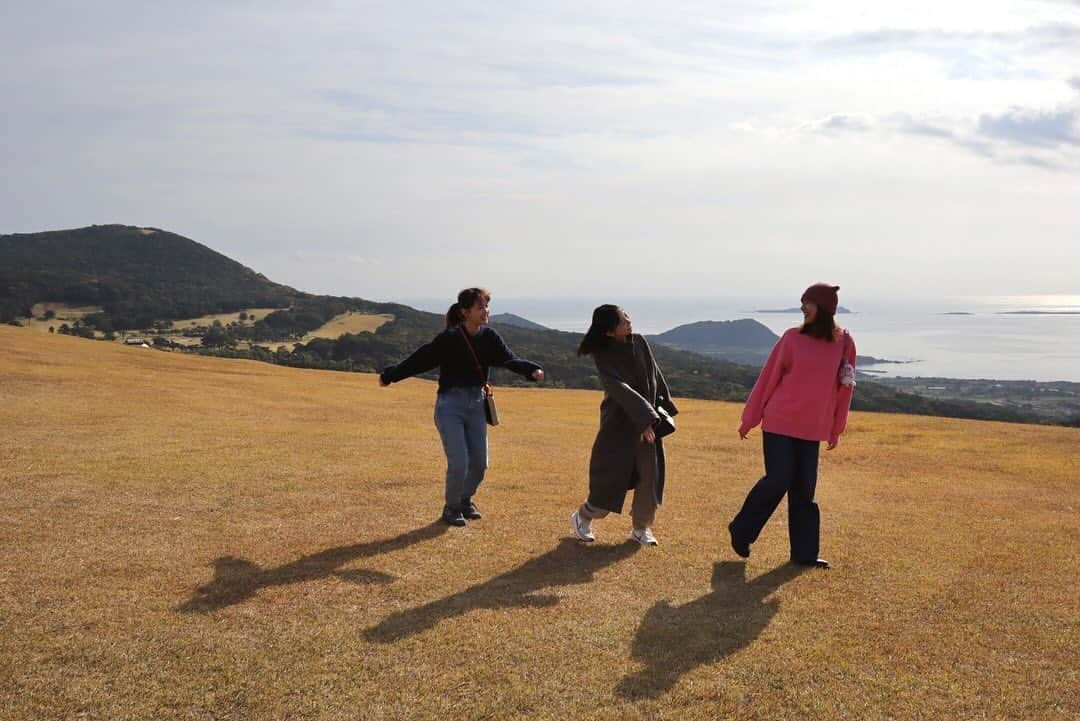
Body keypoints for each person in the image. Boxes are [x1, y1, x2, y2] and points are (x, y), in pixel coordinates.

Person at [379, 287, 545, 526]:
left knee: (479, 464)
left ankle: (465, 500)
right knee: (459, 462)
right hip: (450, 406)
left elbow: (508, 359)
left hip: (477, 404)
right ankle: (452, 507)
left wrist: (531, 369)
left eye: (487, 306)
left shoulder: (490, 337)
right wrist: (391, 375)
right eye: (480, 307)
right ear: (465, 312)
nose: (486, 311)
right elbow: (421, 359)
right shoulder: (450, 339)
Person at [727, 283, 857, 568]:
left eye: (807, 303)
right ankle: (741, 529)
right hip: (780, 422)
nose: (802, 308)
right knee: (778, 479)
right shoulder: (791, 338)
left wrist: (836, 428)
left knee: (804, 491)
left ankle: (804, 554)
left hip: (812, 428)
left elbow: (845, 388)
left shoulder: (844, 342)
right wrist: (750, 418)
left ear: (823, 307)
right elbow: (768, 378)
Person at [571, 305, 678, 547]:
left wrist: (664, 406)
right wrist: (645, 418)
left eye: (627, 317)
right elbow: (620, 389)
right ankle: (584, 515)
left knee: (650, 476)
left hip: (648, 421)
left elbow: (654, 375)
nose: (629, 322)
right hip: (619, 425)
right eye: (622, 321)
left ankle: (641, 528)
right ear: (609, 331)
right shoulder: (603, 353)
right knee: (610, 480)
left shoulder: (639, 342)